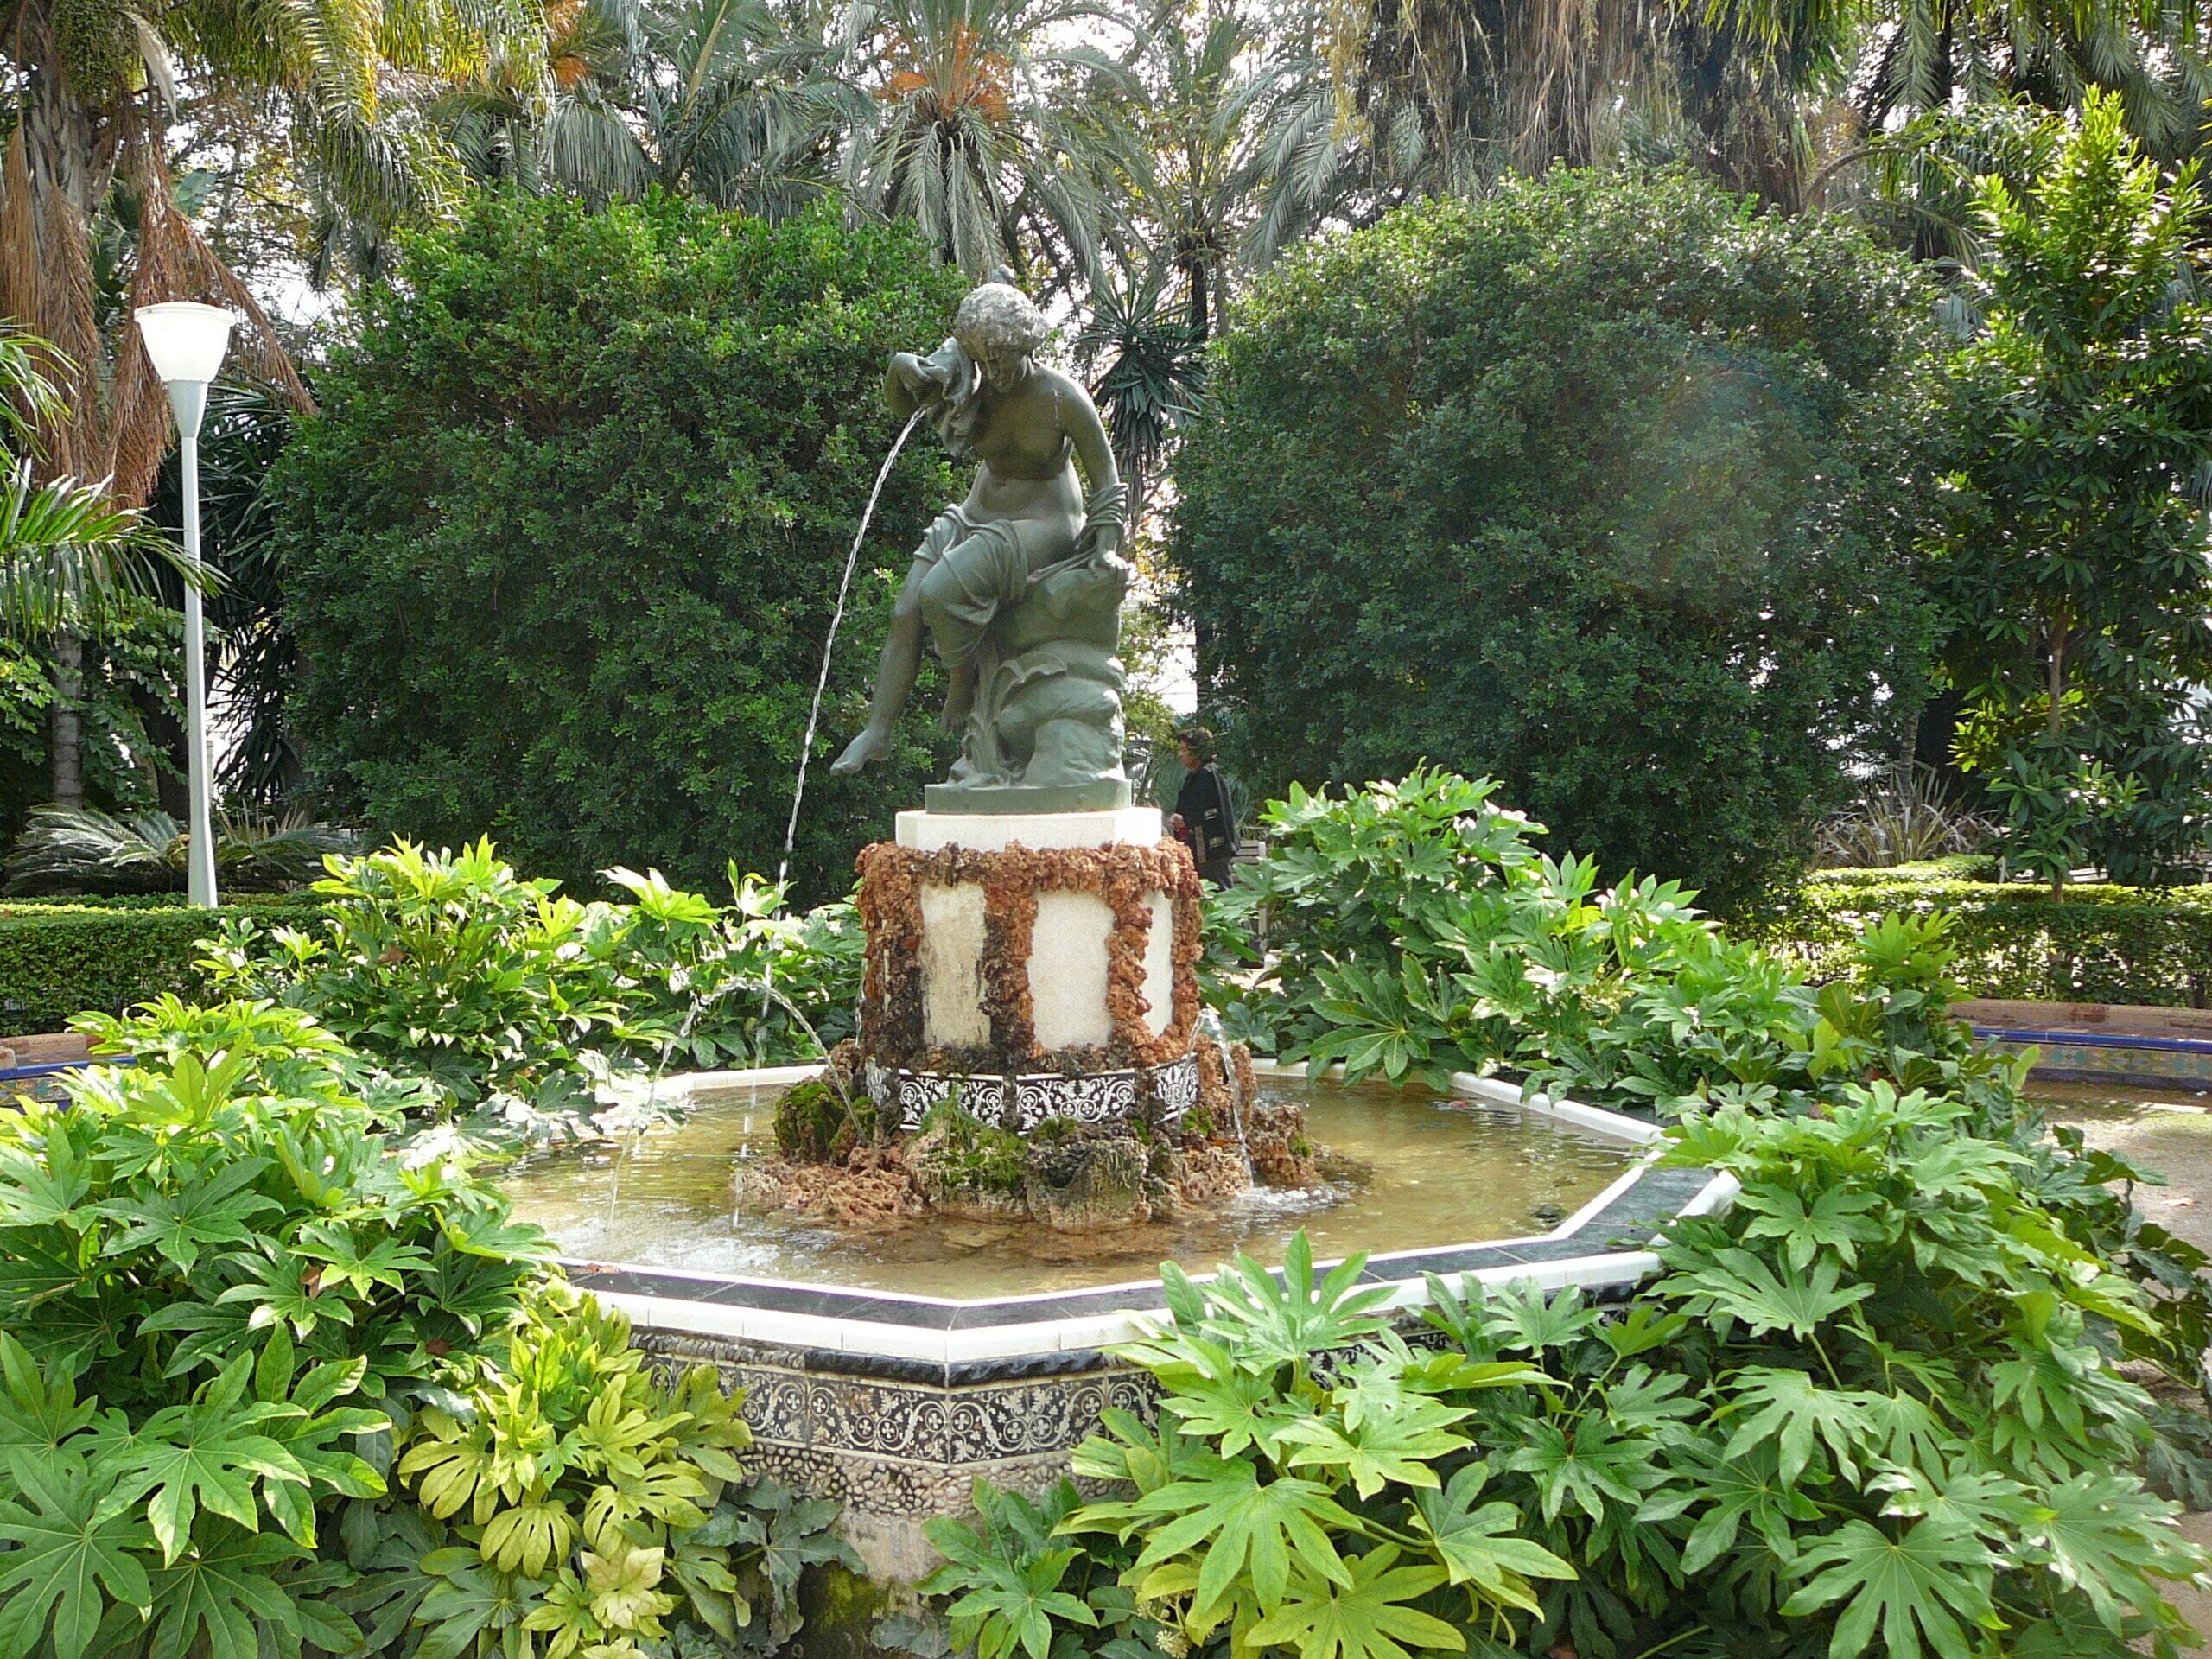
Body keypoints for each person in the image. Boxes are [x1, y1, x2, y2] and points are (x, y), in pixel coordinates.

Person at [831, 279, 1127, 776]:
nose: (993, 373)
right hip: (977, 511)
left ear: (1025, 346)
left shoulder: (1061, 398)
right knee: (907, 606)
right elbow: (906, 404)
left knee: (941, 592)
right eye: (983, 360)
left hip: (1043, 521)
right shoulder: (968, 376)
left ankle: (962, 678)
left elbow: (1108, 480)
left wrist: (1106, 546)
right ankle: (877, 730)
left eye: (1001, 360)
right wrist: (899, 368)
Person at [1170, 727, 1239, 887]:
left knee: (1219, 898)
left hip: (1212, 855)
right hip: (1197, 853)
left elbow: (1214, 812)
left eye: (1184, 750)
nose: (1181, 754)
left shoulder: (1209, 775)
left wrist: (1186, 820)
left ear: (1197, 751)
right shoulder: (1194, 777)